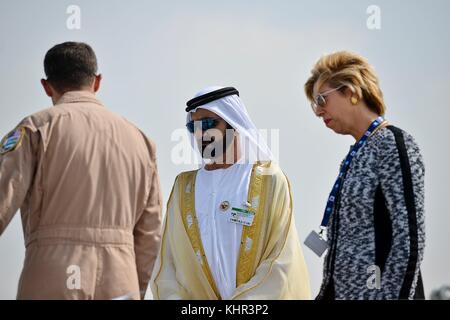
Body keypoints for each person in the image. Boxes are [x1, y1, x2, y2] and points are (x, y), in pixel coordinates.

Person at [0, 42, 162, 299]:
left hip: (51, 279)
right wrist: (134, 291)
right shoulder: (141, 141)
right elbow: (150, 237)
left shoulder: (35, 129)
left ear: (46, 85)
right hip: (120, 282)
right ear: (97, 82)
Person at [150, 86, 311, 300]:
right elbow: (167, 266)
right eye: (193, 127)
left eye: (208, 124)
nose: (201, 134)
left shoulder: (269, 180)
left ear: (233, 124)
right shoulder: (184, 187)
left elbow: (281, 261)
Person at [303, 51, 425, 300]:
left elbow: (410, 239)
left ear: (351, 92)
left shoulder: (394, 144)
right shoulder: (357, 152)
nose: (317, 111)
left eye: (322, 100)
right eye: (314, 105)